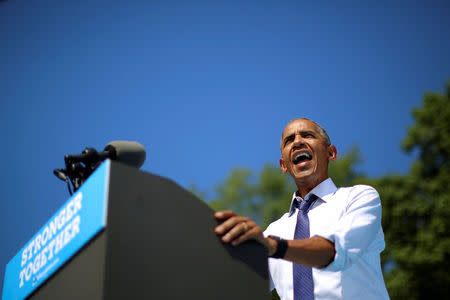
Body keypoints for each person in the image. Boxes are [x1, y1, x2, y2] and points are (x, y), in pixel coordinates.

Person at [214, 118, 389, 300]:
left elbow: (336, 251)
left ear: (331, 153)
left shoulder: (359, 198)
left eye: (307, 135)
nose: (297, 142)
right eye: (289, 140)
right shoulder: (274, 231)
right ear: (283, 165)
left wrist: (276, 246)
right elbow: (242, 287)